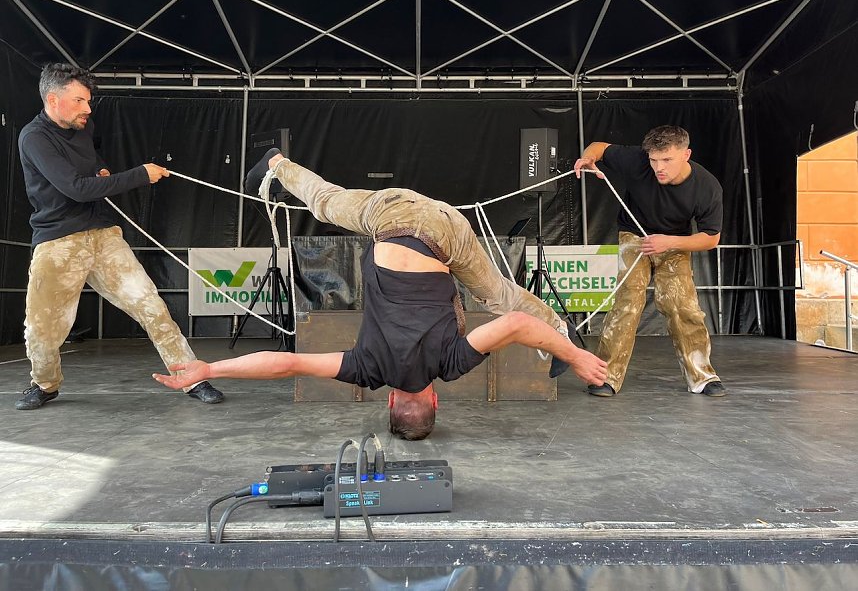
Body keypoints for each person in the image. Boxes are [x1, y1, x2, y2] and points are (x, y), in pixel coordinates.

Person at [155, 152, 607, 439]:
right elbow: (288, 364)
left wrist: (571, 351)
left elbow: (515, 325)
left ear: (434, 401)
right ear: (390, 400)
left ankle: (562, 329)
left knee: (501, 298)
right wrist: (207, 369)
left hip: (444, 231)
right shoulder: (366, 369)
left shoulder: (450, 365)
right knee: (327, 201)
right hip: (391, 216)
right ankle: (274, 163)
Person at [15, 63, 224, 410]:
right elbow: (77, 189)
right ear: (53, 99)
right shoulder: (34, 137)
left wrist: (101, 168)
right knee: (42, 330)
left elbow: (90, 166)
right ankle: (45, 384)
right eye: (80, 100)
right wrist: (139, 174)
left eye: (89, 100)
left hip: (103, 237)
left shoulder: (83, 127)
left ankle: (191, 376)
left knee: (152, 307)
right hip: (58, 242)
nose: (87, 109)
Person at [573, 125, 726, 398]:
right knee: (628, 303)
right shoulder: (637, 160)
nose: (659, 168)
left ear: (686, 154)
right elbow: (598, 147)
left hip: (675, 241)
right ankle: (605, 377)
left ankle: (702, 376)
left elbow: (711, 238)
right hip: (635, 236)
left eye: (667, 160)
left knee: (682, 306)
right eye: (654, 160)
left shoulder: (707, 186)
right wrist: (588, 159)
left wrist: (669, 242)